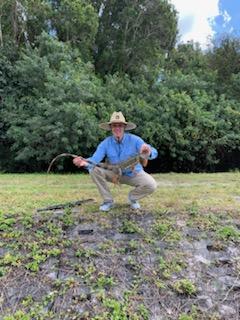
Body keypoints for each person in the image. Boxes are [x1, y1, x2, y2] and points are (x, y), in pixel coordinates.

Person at [73, 111, 158, 211]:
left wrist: (148, 151)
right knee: (94, 170)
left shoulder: (135, 140)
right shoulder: (105, 143)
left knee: (151, 185)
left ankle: (133, 198)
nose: (117, 128)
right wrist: (84, 162)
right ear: (111, 128)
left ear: (124, 127)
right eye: (114, 126)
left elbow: (154, 152)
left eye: (120, 126)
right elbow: (95, 159)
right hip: (114, 173)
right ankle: (108, 201)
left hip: (133, 174)